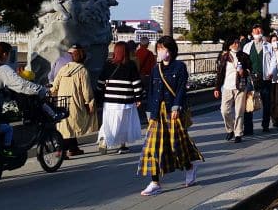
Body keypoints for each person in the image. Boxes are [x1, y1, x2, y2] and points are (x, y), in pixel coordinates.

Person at [139, 35, 203, 195]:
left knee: (176, 145)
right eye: (158, 49)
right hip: (157, 112)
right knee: (152, 147)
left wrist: (176, 107)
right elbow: (152, 92)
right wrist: (149, 111)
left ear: (171, 50)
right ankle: (155, 182)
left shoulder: (179, 67)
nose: (160, 52)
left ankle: (189, 166)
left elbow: (181, 88)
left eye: (163, 49)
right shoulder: (155, 69)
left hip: (172, 111)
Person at [0, 41, 55, 149]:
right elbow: (21, 85)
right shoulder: (3, 69)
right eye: (9, 54)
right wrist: (41, 89)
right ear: (5, 54)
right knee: (8, 129)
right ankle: (7, 151)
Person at [97, 42, 144, 154]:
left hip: (109, 101)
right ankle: (122, 146)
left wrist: (100, 94)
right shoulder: (131, 65)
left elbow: (100, 82)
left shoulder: (108, 64)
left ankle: (104, 139)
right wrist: (138, 98)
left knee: (108, 121)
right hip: (125, 100)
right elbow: (136, 83)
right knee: (123, 123)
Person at [51, 44, 98, 158]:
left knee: (65, 126)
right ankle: (62, 150)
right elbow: (86, 90)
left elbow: (54, 86)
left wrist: (52, 94)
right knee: (72, 125)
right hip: (76, 102)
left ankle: (73, 148)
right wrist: (90, 102)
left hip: (62, 101)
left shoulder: (63, 69)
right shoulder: (82, 70)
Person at [214, 38, 250, 142]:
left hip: (240, 87)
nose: (236, 44)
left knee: (239, 111)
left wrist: (244, 72)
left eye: (238, 43)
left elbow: (250, 69)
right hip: (227, 86)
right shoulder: (224, 57)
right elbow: (220, 73)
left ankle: (238, 133)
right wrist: (217, 87)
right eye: (234, 43)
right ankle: (230, 129)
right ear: (229, 45)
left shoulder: (244, 56)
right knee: (224, 110)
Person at [244, 26, 275, 132]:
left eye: (260, 30)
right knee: (248, 102)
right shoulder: (247, 46)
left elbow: (273, 60)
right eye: (255, 30)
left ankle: (265, 125)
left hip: (264, 77)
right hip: (250, 78)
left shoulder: (268, 46)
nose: (258, 32)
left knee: (266, 102)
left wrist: (271, 72)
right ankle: (248, 127)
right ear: (252, 33)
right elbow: (243, 61)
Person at [267, 33, 278, 128]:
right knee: (272, 100)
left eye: (277, 40)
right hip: (270, 79)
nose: (276, 42)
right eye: (273, 41)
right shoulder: (268, 52)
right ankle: (274, 119)